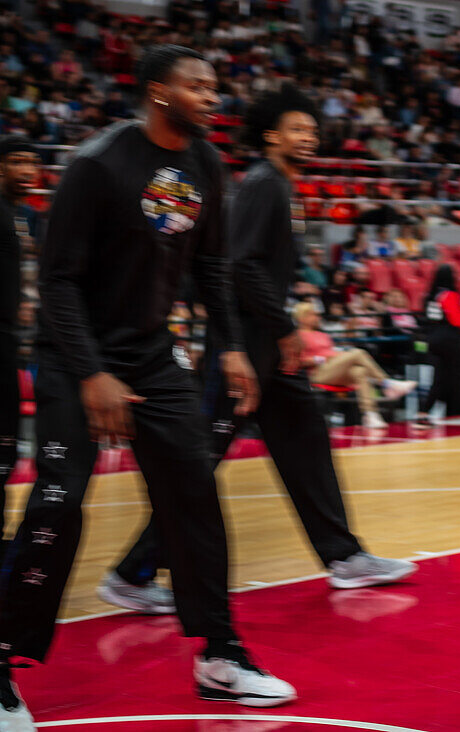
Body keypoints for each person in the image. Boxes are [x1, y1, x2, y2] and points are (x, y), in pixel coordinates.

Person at [0, 46, 296, 729]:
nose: (212, 95)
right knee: (57, 507)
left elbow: (213, 265)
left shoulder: (205, 165)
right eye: (197, 84)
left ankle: (220, 656)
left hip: (155, 358)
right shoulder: (97, 165)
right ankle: (6, 655)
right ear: (158, 91)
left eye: (215, 85)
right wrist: (94, 373)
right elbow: (58, 284)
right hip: (77, 357)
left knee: (193, 495)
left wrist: (228, 349)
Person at [98, 83, 418, 621]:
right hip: (243, 352)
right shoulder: (264, 185)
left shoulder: (280, 188)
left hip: (271, 353)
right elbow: (237, 267)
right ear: (271, 135)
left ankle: (344, 555)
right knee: (197, 468)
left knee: (308, 442)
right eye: (297, 128)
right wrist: (276, 331)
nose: (308, 137)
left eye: (313, 129)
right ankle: (131, 575)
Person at [0, 136, 39, 568]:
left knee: (6, 449)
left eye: (32, 162)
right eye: (17, 161)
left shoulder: (18, 216)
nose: (28, 169)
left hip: (8, 340)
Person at [295, 301, 416, 428]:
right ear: (302, 318)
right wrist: (323, 358)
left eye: (316, 314)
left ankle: (370, 414)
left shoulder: (322, 335)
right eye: (312, 315)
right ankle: (387, 383)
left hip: (334, 368)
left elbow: (332, 352)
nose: (317, 317)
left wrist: (337, 355)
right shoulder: (297, 336)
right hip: (318, 373)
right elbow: (299, 361)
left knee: (360, 371)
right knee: (358, 353)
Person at [415, 264, 460, 426]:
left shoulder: (430, 296)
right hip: (449, 340)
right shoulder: (449, 294)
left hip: (432, 339)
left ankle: (423, 412)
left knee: (439, 379)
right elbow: (458, 321)